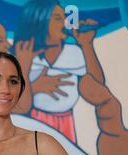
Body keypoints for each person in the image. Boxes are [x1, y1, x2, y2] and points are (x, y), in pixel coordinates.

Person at [13, 0, 106, 143]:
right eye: (58, 18)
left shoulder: (74, 53)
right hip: (31, 122)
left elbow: (98, 86)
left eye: (65, 17)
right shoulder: (23, 53)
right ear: (39, 22)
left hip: (65, 123)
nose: (65, 22)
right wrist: (34, 87)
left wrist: (87, 45)